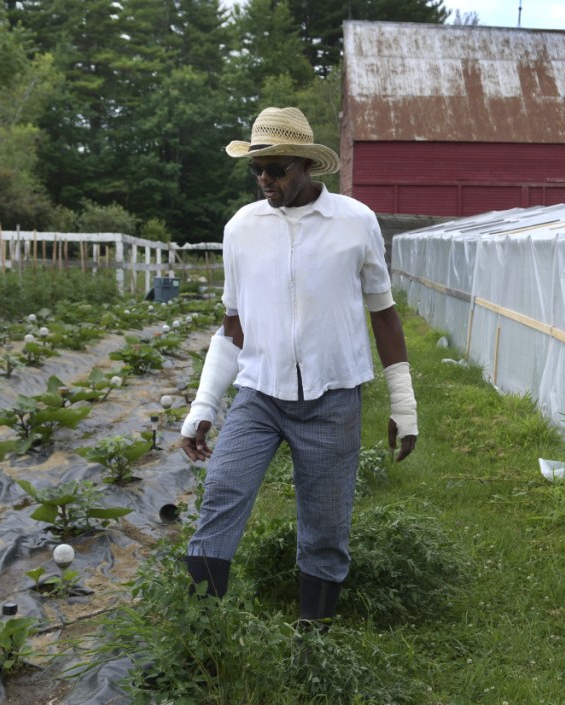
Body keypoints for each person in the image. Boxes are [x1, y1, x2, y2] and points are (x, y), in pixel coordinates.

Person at [179, 106, 418, 632]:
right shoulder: (242, 228)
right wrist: (203, 407)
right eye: (257, 170)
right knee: (221, 493)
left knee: (326, 527)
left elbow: (385, 316)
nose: (265, 180)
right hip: (259, 395)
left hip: (333, 400)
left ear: (308, 166)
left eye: (277, 169)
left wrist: (404, 405)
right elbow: (231, 326)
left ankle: (313, 642)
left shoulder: (355, 223)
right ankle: (199, 635)